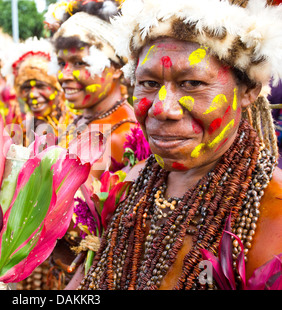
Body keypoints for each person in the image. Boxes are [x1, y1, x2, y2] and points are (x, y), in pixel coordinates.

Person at [73, 0, 282, 290]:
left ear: (248, 89)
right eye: (148, 83)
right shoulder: (126, 188)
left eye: (192, 83)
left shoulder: (274, 212)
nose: (162, 108)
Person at [47, 0, 139, 179]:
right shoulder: (82, 121)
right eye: (61, 63)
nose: (63, 75)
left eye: (79, 63)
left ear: (116, 68)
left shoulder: (125, 135)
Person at [2, 37, 71, 146]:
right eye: (26, 88)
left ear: (57, 88)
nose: (33, 95)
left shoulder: (76, 125)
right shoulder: (22, 130)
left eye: (41, 86)